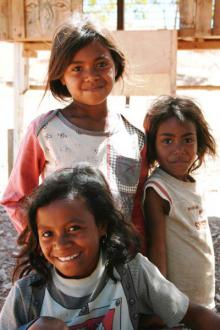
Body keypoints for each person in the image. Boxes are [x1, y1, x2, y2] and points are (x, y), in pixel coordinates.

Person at [0, 164, 220, 330]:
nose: (60, 243)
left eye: (74, 228)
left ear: (101, 226)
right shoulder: (27, 295)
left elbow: (191, 313)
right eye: (47, 233)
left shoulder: (132, 272)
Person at [0, 14, 147, 245]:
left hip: (119, 262)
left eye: (101, 64)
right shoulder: (45, 131)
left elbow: (137, 206)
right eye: (77, 68)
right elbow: (16, 199)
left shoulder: (133, 137)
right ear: (61, 75)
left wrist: (138, 253)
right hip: (65, 264)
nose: (91, 75)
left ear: (116, 65)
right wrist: (46, 244)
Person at [143, 95, 216, 309]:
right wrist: (162, 302)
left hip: (203, 296)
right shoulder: (158, 189)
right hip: (180, 304)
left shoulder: (193, 183)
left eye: (187, 139)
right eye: (167, 140)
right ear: (153, 146)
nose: (179, 149)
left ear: (198, 141)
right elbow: (157, 248)